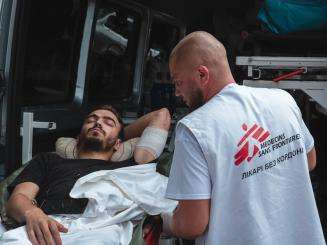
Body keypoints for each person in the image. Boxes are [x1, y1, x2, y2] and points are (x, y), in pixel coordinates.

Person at [162, 31, 325, 245]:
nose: (176, 92)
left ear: (202, 75)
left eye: (178, 82)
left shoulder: (194, 129)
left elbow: (193, 224)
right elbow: (309, 161)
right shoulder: (282, 100)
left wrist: (166, 220)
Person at [5, 105, 171, 245]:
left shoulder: (128, 167)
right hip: (46, 225)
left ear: (118, 144)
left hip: (99, 230)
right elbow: (17, 199)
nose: (98, 123)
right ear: (77, 139)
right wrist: (32, 213)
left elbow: (161, 115)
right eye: (91, 120)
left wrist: (119, 135)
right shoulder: (49, 160)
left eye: (108, 122)